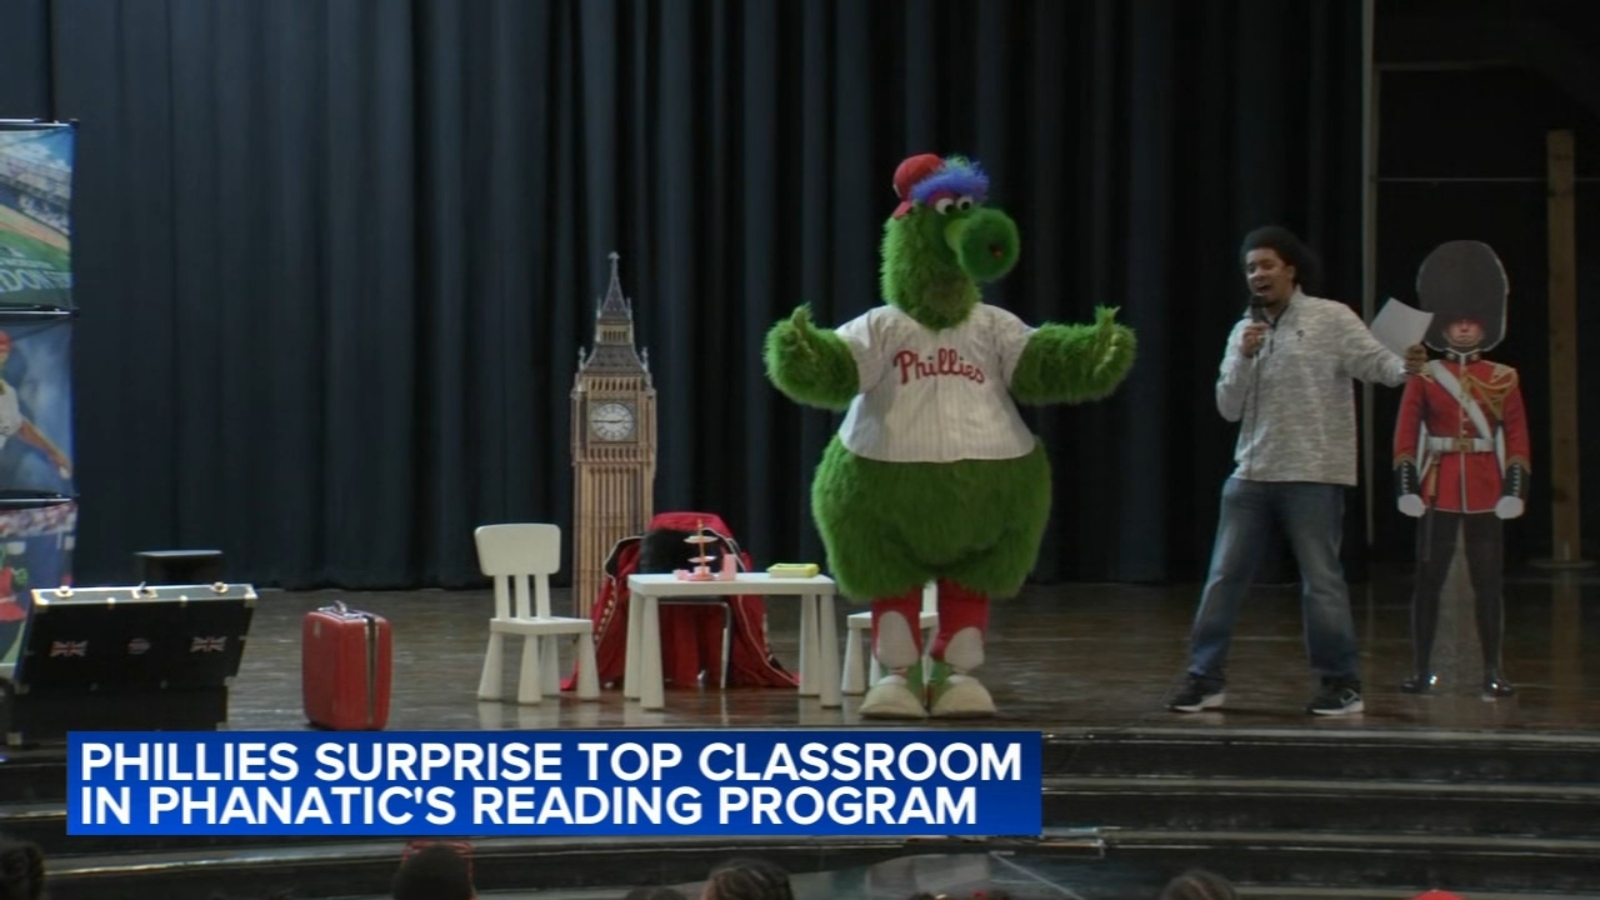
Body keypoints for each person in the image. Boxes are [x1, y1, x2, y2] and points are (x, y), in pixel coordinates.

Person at [1169, 226, 1426, 716]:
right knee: (1223, 579)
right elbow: (1227, 406)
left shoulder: (1330, 317)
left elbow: (1377, 365)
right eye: (1250, 268)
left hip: (1313, 473)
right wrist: (1243, 357)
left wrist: (1406, 367)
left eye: (1266, 264)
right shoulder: (1243, 329)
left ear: (1290, 268)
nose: (1257, 275)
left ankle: (1341, 684)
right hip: (1250, 475)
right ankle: (1204, 679)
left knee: (1321, 581)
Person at [1394, 240, 1528, 698]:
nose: (1465, 327)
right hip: (1436, 489)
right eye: (1456, 320)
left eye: (1472, 320)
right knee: (1427, 584)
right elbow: (1406, 435)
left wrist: (1515, 489)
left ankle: (1493, 669)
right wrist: (1406, 485)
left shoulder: (1503, 378)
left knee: (1488, 586)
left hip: (1488, 491)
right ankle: (1421, 669)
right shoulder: (1426, 376)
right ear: (1444, 324)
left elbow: (1517, 440)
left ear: (1485, 324)